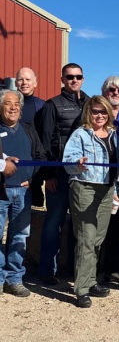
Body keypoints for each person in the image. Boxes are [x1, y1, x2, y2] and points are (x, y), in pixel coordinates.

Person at [63, 96, 119, 308]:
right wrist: (77, 164)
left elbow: (116, 165)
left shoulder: (113, 134)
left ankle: (91, 280)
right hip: (85, 187)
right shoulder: (80, 134)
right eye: (95, 111)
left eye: (103, 112)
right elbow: (67, 160)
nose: (99, 115)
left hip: (107, 190)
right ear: (89, 112)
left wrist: (115, 189)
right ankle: (82, 289)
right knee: (86, 238)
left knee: (97, 238)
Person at [37, 63, 89, 285]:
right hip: (58, 174)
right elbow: (44, 142)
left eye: (77, 77)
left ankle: (76, 270)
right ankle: (47, 270)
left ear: (83, 79)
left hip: (82, 174)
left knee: (81, 224)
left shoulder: (90, 104)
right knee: (54, 223)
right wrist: (48, 174)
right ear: (62, 79)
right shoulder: (52, 106)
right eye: (69, 77)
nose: (74, 80)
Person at [0, 89, 45, 298]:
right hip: (2, 192)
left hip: (23, 191)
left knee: (20, 236)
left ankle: (14, 278)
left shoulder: (28, 130)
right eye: (8, 103)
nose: (13, 107)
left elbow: (40, 156)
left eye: (16, 104)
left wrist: (33, 178)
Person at [98, 76, 119, 284]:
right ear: (104, 91)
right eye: (112, 89)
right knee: (97, 223)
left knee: (118, 224)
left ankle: (112, 268)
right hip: (99, 176)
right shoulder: (94, 113)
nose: (116, 93)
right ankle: (93, 269)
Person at [16, 67, 46, 208]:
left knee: (30, 209)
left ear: (35, 83)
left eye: (28, 79)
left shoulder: (42, 106)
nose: (24, 83)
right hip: (10, 163)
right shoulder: (6, 104)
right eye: (20, 79)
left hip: (32, 165)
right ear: (16, 82)